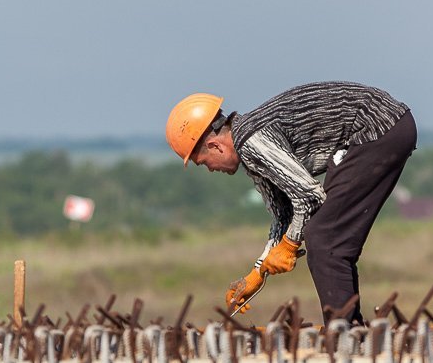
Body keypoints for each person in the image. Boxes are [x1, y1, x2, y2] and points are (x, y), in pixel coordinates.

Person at [165, 81, 416, 323]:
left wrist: (289, 244)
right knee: (326, 238)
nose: (210, 170)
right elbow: (284, 214)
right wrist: (257, 273)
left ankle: (343, 332)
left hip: (378, 127)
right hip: (383, 128)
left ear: (215, 146)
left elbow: (309, 196)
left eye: (203, 162)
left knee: (324, 238)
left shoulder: (253, 141)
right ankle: (347, 328)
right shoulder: (250, 151)